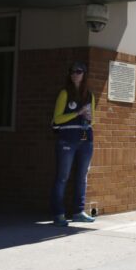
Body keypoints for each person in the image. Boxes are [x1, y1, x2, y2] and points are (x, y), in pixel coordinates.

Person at [51, 61, 97, 227]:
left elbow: (94, 119)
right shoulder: (64, 93)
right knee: (62, 177)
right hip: (67, 139)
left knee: (82, 177)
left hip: (86, 140)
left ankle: (78, 212)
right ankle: (58, 214)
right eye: (72, 71)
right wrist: (77, 112)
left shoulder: (89, 95)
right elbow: (57, 118)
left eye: (78, 71)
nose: (75, 74)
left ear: (84, 74)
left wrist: (89, 117)